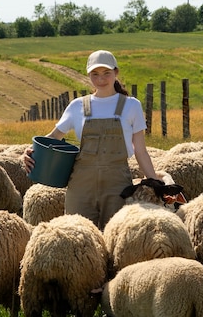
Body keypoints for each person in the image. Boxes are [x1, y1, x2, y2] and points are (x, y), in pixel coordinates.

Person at [22, 50, 158, 230]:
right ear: (88, 75)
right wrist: (29, 153)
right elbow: (53, 138)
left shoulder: (131, 105)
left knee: (117, 236)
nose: (101, 79)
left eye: (106, 73)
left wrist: (155, 182)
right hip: (80, 186)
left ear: (116, 73)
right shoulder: (78, 106)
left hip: (117, 185)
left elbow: (140, 150)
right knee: (78, 236)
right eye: (95, 74)